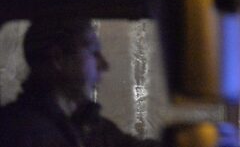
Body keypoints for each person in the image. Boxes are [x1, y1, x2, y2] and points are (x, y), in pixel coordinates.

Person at [0, 17, 159, 147]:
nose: (104, 65)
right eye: (93, 51)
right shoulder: (18, 132)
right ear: (58, 58)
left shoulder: (90, 127)